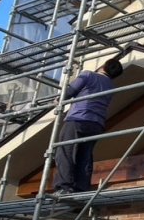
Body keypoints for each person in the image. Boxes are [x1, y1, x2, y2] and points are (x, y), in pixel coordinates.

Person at [53, 57, 124, 193]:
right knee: (85, 155)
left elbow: (70, 91)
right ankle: (81, 188)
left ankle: (64, 186)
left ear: (103, 66)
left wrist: (59, 99)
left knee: (66, 151)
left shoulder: (88, 75)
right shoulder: (110, 86)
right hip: (97, 123)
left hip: (78, 118)